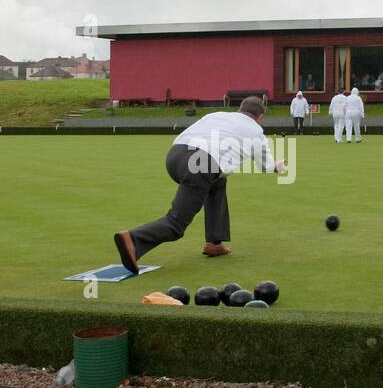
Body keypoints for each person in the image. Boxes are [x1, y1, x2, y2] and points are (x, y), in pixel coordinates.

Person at [113, 96, 286, 272]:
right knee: (176, 224)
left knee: (218, 182)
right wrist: (278, 166)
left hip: (174, 156)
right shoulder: (256, 131)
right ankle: (133, 239)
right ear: (259, 117)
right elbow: (266, 166)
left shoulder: (216, 115)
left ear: (240, 110)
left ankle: (214, 243)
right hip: (200, 164)